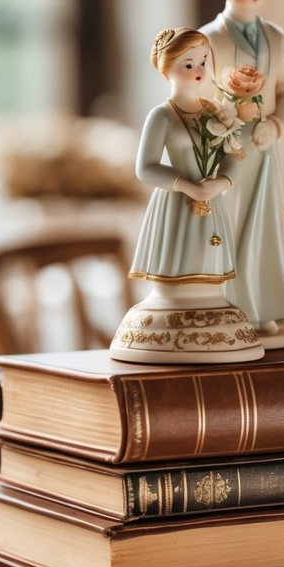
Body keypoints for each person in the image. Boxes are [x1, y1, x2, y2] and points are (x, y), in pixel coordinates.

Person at [110, 27, 262, 363]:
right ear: (166, 69)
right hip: (177, 203)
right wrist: (185, 184)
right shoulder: (161, 116)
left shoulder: (216, 110)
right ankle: (176, 298)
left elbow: (233, 156)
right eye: (188, 63)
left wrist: (221, 183)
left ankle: (208, 297)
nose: (199, 70)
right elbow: (146, 168)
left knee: (211, 255)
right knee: (180, 255)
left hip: (211, 201)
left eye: (203, 61)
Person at [200, 0, 284, 347]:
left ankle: (260, 306)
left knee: (264, 224)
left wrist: (278, 124)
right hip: (224, 146)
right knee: (226, 221)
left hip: (263, 147)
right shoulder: (209, 39)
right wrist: (223, 117)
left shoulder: (276, 38)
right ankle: (223, 302)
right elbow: (195, 92)